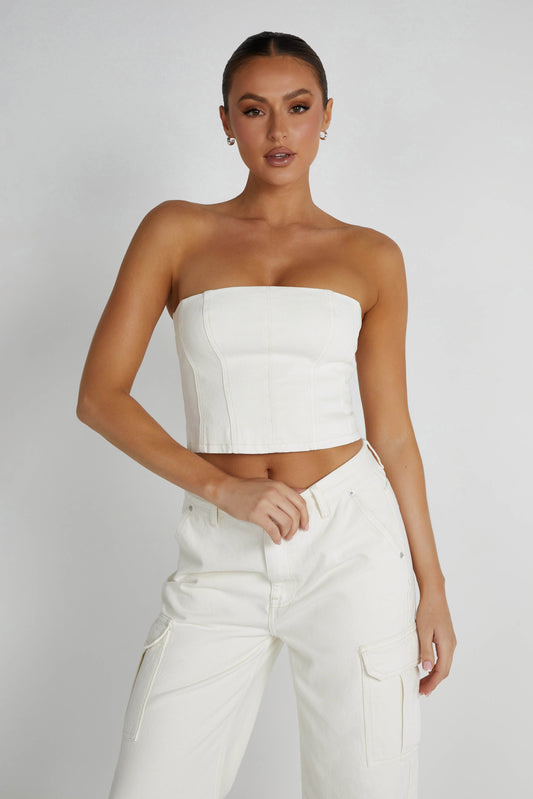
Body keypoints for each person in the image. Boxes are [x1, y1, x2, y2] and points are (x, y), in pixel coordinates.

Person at [76, 30, 456, 799]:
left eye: (297, 107)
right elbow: (100, 396)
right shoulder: (175, 231)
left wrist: (432, 585)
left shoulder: (371, 255)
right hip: (221, 549)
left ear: (326, 115)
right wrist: (224, 489)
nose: (278, 130)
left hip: (351, 545)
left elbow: (391, 433)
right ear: (226, 121)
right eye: (253, 110)